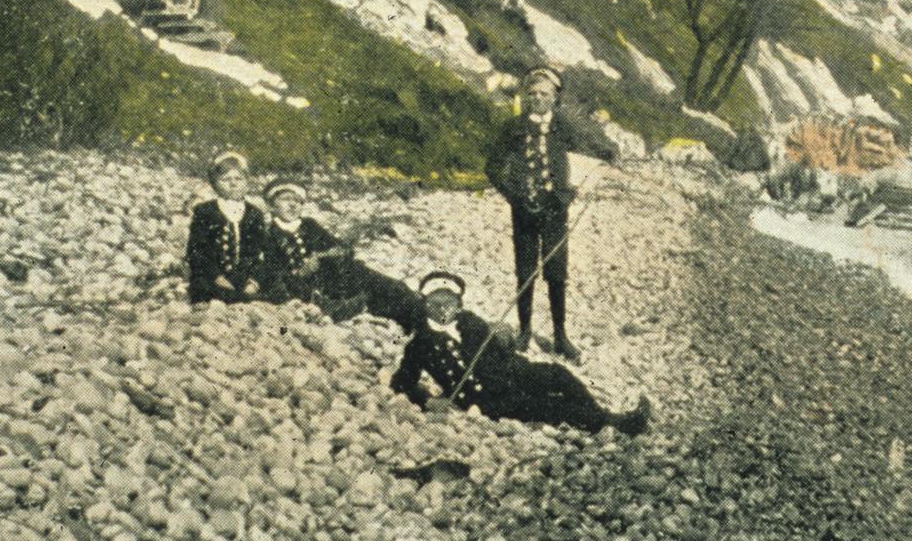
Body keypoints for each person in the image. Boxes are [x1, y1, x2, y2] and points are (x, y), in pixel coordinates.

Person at [390, 271, 651, 436]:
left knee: (557, 374)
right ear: (425, 305)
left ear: (459, 304)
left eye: (450, 302)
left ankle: (602, 415)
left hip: (515, 372)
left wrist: (504, 338)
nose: (444, 309)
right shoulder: (420, 344)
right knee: (549, 407)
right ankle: (615, 425)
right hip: (489, 399)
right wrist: (427, 401)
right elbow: (401, 383)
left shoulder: (470, 321)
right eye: (436, 303)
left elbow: (498, 351)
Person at [485, 67, 606, 361]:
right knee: (525, 271)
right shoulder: (513, 127)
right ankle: (525, 331)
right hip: (524, 210)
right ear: (526, 97)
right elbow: (492, 168)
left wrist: (572, 189)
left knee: (556, 272)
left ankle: (560, 336)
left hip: (555, 211)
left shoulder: (564, 127)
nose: (538, 99)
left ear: (555, 98)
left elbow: (594, 154)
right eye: (533, 94)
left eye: (545, 94)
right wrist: (514, 196)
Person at [258, 179, 367, 319]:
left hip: (328, 282)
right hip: (296, 289)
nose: (292, 204)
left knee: (360, 273)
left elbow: (341, 247)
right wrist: (300, 272)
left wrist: (325, 255)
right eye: (286, 199)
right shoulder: (269, 234)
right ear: (272, 206)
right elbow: (271, 270)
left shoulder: (309, 225)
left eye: (297, 201)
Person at [186, 152, 273, 304]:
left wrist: (253, 282)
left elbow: (262, 252)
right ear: (214, 183)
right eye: (225, 179)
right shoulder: (205, 211)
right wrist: (217, 277)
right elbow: (196, 251)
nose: (233, 184)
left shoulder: (254, 213)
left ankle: (247, 294)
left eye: (238, 178)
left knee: (272, 287)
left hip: (245, 279)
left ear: (247, 182)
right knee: (205, 288)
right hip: (215, 277)